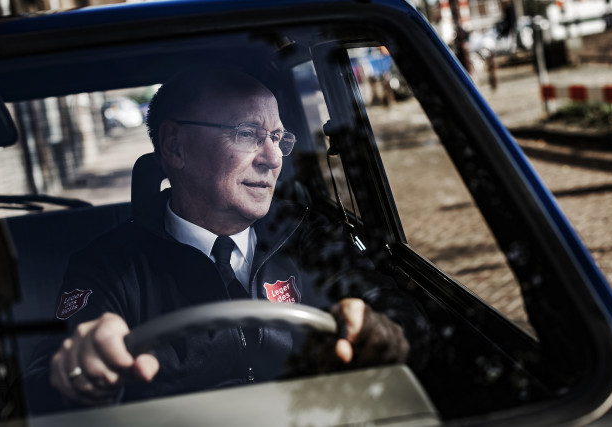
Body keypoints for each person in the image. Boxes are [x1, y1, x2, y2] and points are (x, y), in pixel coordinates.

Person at [27, 67, 430, 410]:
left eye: (278, 138)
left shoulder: (309, 236)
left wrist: (378, 331)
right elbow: (44, 382)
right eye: (247, 134)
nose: (272, 159)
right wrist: (84, 369)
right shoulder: (107, 266)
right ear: (175, 145)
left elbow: (398, 313)